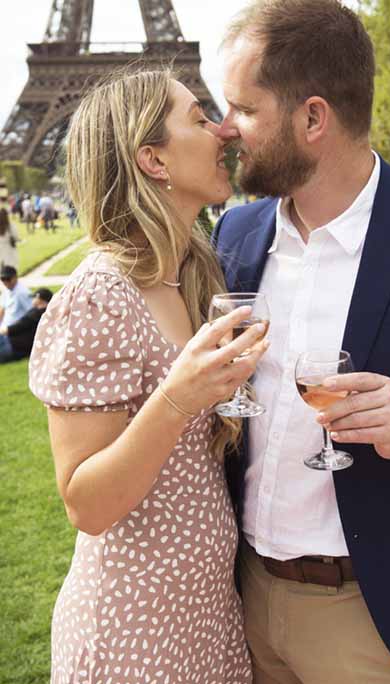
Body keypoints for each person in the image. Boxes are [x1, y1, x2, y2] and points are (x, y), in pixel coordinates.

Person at [212, 2, 390, 681]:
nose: (224, 127)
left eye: (242, 108)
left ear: (312, 118)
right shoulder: (235, 236)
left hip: (370, 618)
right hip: (241, 597)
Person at [28, 70, 269, 682]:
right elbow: (87, 504)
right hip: (133, 631)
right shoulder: (100, 295)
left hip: (208, 618)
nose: (222, 130)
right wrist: (177, 399)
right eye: (197, 118)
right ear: (152, 158)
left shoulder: (194, 276)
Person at [0, 286, 51, 362]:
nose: (32, 300)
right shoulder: (43, 313)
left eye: (34, 297)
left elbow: (15, 328)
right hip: (14, 345)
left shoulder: (37, 314)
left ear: (39, 299)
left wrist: (3, 330)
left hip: (13, 346)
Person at [0, 265, 32, 331]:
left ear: (15, 277)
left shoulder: (22, 293)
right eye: (3, 279)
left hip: (15, 332)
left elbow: (31, 313)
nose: (5, 282)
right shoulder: (6, 290)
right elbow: (2, 309)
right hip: (4, 329)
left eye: (8, 279)